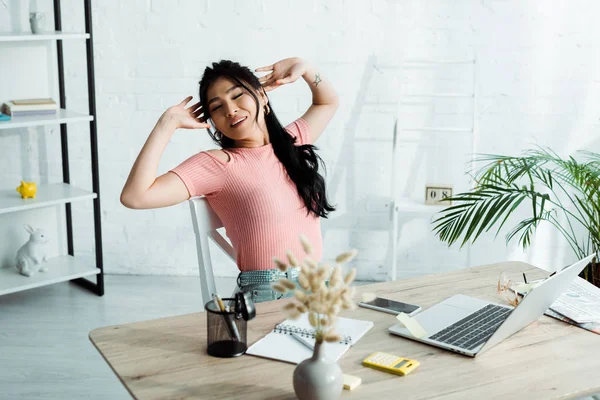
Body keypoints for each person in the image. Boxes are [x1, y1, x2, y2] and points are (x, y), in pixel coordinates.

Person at [120, 57, 339, 303]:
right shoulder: (218, 165)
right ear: (212, 122)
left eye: (237, 96)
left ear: (262, 96)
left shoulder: (292, 142)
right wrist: (167, 124)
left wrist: (306, 68)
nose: (230, 110)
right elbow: (135, 196)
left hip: (319, 285)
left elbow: (328, 101)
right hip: (270, 293)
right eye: (216, 107)